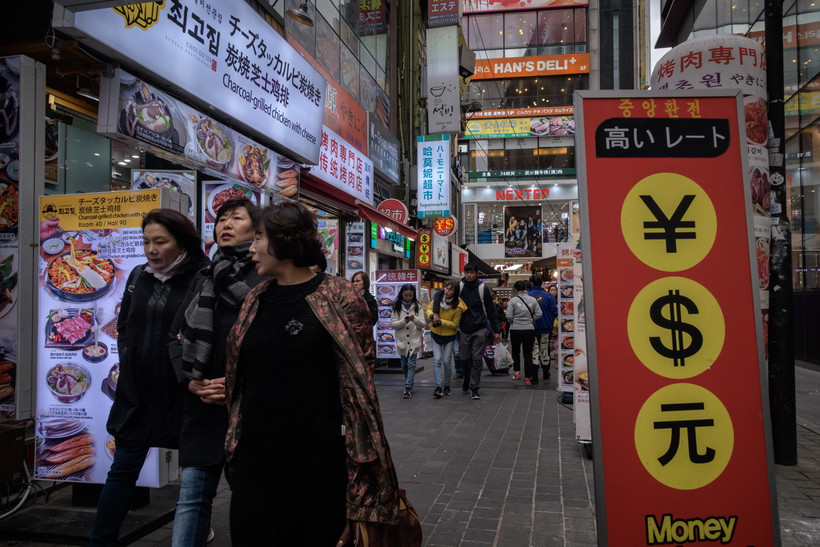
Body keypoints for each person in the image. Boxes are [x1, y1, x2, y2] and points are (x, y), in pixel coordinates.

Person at [224, 201, 401, 544]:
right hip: (257, 459)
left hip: (318, 462)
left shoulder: (340, 296)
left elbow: (360, 391)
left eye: (259, 237)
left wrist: (361, 492)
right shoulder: (254, 299)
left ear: (285, 242)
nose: (252, 247)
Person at [90, 210, 208, 546]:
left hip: (183, 392)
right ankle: (101, 541)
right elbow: (124, 324)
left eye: (160, 241)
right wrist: (127, 363)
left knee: (194, 478)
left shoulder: (203, 276)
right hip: (137, 391)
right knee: (123, 469)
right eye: (146, 242)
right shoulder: (139, 275)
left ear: (182, 242)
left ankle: (196, 532)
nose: (151, 249)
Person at [167, 197, 262, 546]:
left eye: (237, 218)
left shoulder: (264, 276)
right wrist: (191, 383)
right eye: (222, 218)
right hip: (203, 405)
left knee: (251, 500)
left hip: (249, 408)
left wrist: (237, 384)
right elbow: (174, 337)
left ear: (256, 230)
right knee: (192, 496)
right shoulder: (203, 277)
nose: (226, 224)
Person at [458, 262, 501, 399]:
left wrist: (496, 330)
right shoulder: (459, 287)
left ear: (476, 273)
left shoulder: (483, 289)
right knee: (464, 358)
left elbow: (491, 311)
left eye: (471, 272)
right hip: (464, 328)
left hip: (480, 328)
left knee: (476, 359)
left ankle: (474, 387)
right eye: (466, 272)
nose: (469, 275)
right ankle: (466, 377)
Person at [426, 281, 465, 399]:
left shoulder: (458, 307)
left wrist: (441, 321)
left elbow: (455, 324)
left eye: (450, 290)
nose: (447, 291)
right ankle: (438, 387)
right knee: (437, 359)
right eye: (446, 288)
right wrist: (433, 316)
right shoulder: (438, 299)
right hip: (435, 333)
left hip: (450, 336)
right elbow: (429, 309)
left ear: (455, 292)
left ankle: (447, 386)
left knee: (447, 362)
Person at [390, 283, 427, 398]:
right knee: (404, 365)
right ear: (401, 294)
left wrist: (414, 319)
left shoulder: (417, 306)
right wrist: (403, 321)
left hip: (414, 340)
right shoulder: (396, 306)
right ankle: (409, 382)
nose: (408, 297)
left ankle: (407, 387)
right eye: (406, 295)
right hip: (402, 341)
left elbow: (423, 324)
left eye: (410, 295)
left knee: (411, 364)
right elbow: (393, 324)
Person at [506, 280, 542, 386]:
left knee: (516, 352)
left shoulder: (513, 301)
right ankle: (527, 378)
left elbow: (508, 316)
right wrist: (531, 319)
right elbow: (539, 314)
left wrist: (513, 321)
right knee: (528, 354)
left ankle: (517, 373)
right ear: (526, 288)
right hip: (529, 330)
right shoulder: (533, 300)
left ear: (516, 289)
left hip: (515, 330)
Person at [529, 276, 559, 381]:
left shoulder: (528, 295)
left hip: (531, 328)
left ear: (531, 283)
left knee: (534, 350)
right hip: (546, 327)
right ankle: (546, 373)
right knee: (544, 350)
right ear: (541, 283)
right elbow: (555, 312)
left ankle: (535, 375)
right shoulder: (549, 296)